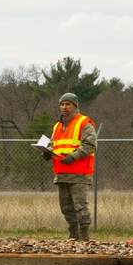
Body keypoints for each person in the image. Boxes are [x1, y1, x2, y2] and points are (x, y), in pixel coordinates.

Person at [45, 92, 97, 241]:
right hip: (61, 172)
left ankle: (84, 236)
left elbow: (91, 145)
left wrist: (73, 157)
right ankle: (73, 235)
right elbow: (52, 144)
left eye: (67, 104)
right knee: (66, 208)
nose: (64, 107)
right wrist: (47, 153)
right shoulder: (57, 126)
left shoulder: (84, 123)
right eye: (62, 104)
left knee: (80, 206)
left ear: (75, 105)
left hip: (79, 173)